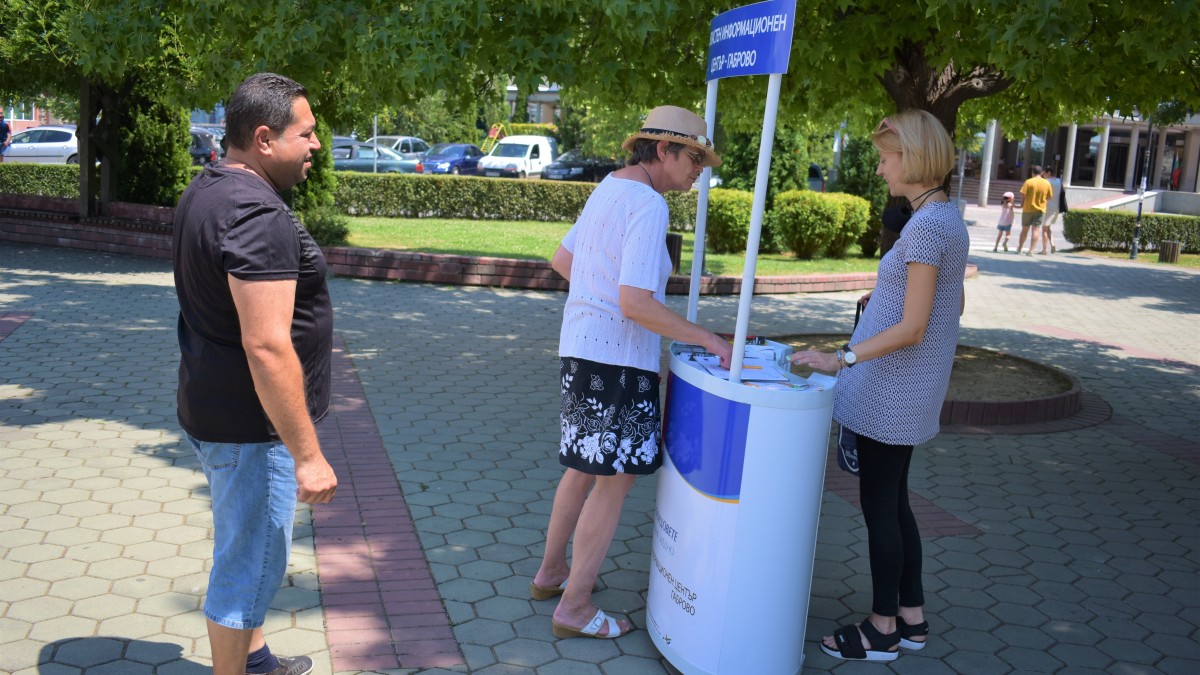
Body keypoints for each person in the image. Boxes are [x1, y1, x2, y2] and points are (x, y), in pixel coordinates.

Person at [532, 105, 733, 640]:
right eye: (694, 157)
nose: (699, 169)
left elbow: (564, 259)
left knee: (582, 470)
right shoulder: (647, 203)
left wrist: (600, 300)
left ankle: (552, 574)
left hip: (582, 351)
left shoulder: (610, 187)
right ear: (662, 149)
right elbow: (636, 302)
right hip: (618, 362)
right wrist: (709, 339)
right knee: (613, 484)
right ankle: (573, 606)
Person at [790, 109, 968, 662]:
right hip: (910, 390)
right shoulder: (947, 218)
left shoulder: (926, 226)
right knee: (895, 505)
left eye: (886, 157)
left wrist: (839, 356)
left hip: (893, 393)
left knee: (880, 510)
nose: (879, 168)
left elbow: (914, 327)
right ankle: (911, 617)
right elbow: (949, 304)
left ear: (913, 159)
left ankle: (881, 628)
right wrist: (885, 299)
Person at [173, 73, 336, 675]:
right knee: (248, 568)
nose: (317, 144)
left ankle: (257, 658)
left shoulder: (208, 188)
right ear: (264, 139)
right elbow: (266, 346)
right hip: (250, 428)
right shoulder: (256, 215)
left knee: (244, 545)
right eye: (307, 132)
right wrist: (308, 455)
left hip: (213, 407)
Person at [1015, 164, 1052, 256]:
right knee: (1036, 230)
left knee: (1024, 229)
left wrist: (1023, 202)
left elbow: (1023, 194)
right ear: (1041, 173)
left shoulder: (1028, 182)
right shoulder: (1047, 183)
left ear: (1033, 172)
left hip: (1027, 209)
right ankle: (1031, 250)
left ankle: (1020, 248)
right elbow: (1050, 197)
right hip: (1040, 210)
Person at [1039, 167, 1066, 254]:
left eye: (1044, 173)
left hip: (1047, 207)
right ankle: (1052, 244)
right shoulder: (1059, 180)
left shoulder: (1047, 182)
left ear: (1049, 173)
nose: (1043, 175)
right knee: (1048, 227)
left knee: (1044, 229)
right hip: (1056, 208)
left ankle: (1044, 250)